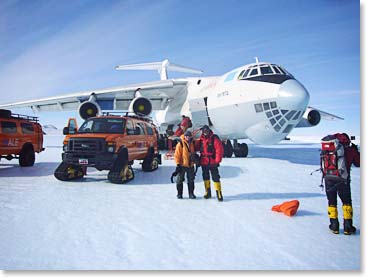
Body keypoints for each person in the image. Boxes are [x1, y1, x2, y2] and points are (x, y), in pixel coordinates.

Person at [325, 133, 360, 235]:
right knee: (346, 202)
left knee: (332, 202)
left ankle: (334, 226)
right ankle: (348, 227)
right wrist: (356, 151)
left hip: (329, 179)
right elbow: (358, 163)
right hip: (343, 180)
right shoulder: (350, 150)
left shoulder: (329, 150)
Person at [198, 125, 224, 201]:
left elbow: (219, 149)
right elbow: (196, 147)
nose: (205, 132)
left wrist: (217, 160)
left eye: (206, 131)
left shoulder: (214, 138)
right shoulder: (201, 139)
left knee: (215, 177)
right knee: (205, 177)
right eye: (204, 131)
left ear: (209, 131)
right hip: (204, 161)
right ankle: (207, 192)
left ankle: (219, 193)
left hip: (212, 161)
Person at [174, 130, 197, 199]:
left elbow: (194, 153)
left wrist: (196, 160)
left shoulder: (193, 143)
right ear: (184, 136)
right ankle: (179, 194)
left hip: (190, 165)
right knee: (179, 180)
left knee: (191, 180)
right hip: (182, 165)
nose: (188, 137)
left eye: (189, 136)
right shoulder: (180, 144)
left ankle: (191, 193)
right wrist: (178, 164)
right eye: (186, 136)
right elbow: (177, 155)